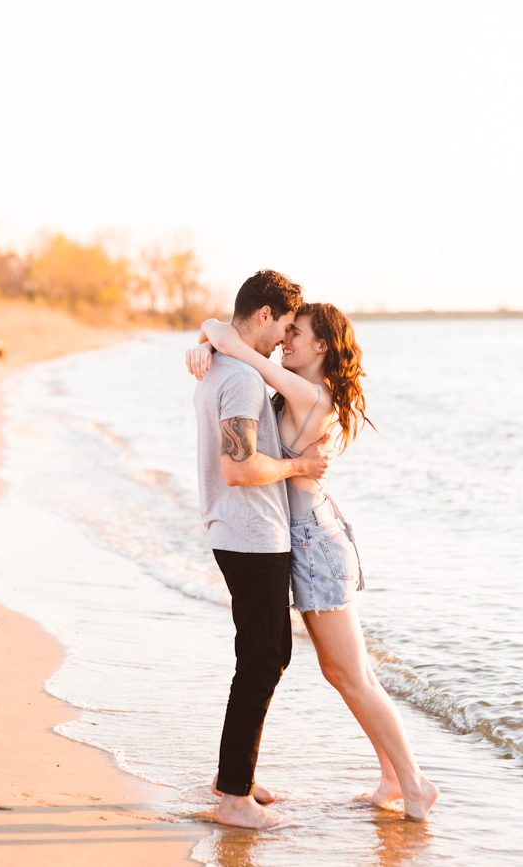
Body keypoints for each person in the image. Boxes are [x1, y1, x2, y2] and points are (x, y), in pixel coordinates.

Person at [187, 300, 440, 821]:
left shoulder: (313, 395)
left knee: (352, 675)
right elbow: (227, 335)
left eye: (296, 333)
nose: (285, 341)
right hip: (302, 540)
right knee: (341, 671)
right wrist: (206, 340)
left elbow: (242, 349)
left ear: (321, 346)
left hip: (317, 546)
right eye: (285, 331)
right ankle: (392, 776)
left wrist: (218, 343)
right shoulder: (292, 389)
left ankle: (416, 784)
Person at [192, 271, 330, 829]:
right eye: (283, 330)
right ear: (266, 314)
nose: (281, 342)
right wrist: (298, 466)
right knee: (262, 659)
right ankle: (232, 797)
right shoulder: (245, 380)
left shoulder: (223, 367)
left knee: (269, 653)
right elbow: (239, 465)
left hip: (242, 533)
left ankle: (238, 777)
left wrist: (206, 336)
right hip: (251, 535)